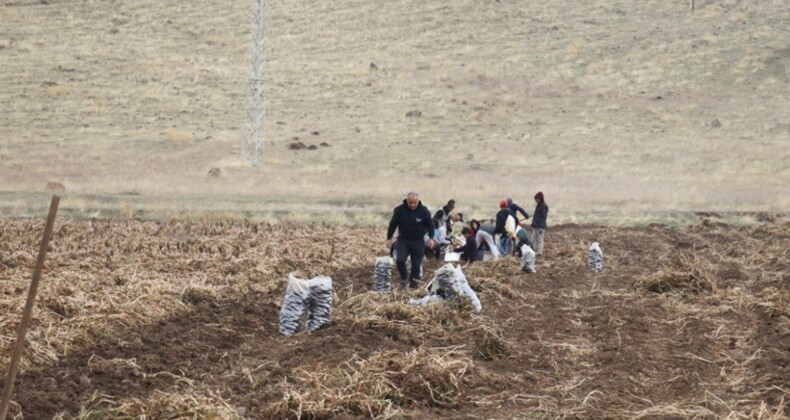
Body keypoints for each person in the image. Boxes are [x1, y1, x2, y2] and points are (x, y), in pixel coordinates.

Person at [387, 192, 436, 289]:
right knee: (400, 260)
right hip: (403, 240)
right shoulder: (399, 210)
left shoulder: (424, 211)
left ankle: (414, 286)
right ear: (407, 201)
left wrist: (431, 238)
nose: (413, 205)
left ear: (418, 201)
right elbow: (393, 224)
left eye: (415, 203)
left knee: (416, 265)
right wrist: (389, 238)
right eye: (410, 203)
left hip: (418, 242)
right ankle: (403, 278)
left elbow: (430, 225)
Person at [531, 191, 549, 256]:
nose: (536, 200)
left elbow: (544, 217)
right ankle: (531, 250)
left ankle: (539, 253)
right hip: (536, 226)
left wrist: (542, 227)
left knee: (540, 240)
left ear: (540, 198)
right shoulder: (538, 205)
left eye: (537, 199)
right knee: (532, 238)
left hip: (540, 226)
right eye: (536, 199)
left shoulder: (544, 206)